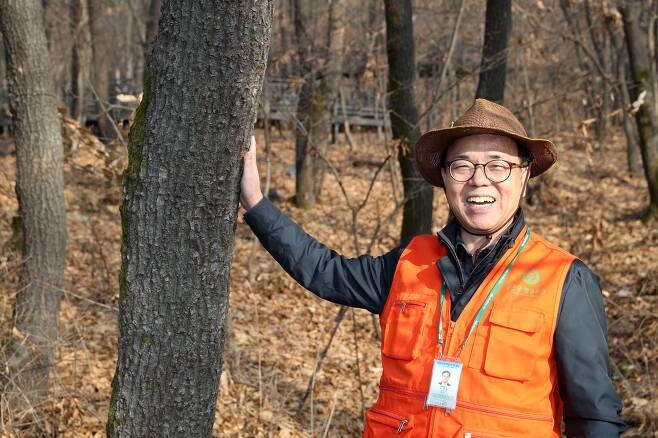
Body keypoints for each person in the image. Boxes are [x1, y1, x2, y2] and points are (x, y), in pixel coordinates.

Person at [239, 99, 624, 437]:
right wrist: (256, 203)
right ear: (445, 178)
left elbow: (595, 417)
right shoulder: (409, 262)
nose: (479, 180)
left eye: (498, 166)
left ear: (524, 176)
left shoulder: (563, 277)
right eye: (463, 166)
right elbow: (324, 271)